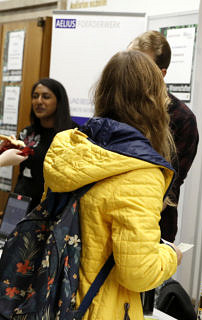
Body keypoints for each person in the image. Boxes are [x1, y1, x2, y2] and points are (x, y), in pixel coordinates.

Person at [42, 50, 182, 319]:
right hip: (100, 309)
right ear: (154, 101)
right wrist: (170, 256)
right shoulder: (140, 171)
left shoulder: (70, 148)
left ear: (103, 92)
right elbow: (139, 273)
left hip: (52, 299)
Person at [129, 30, 199, 242]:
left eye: (140, 66)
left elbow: (169, 185)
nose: (130, 71)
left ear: (161, 73)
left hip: (153, 226)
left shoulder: (181, 118)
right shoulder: (116, 109)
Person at [14, 78, 77, 211]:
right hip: (23, 204)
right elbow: (22, 174)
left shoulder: (73, 134)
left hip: (54, 208)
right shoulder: (27, 133)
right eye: (35, 97)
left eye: (46, 97)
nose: (39, 101)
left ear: (59, 102)